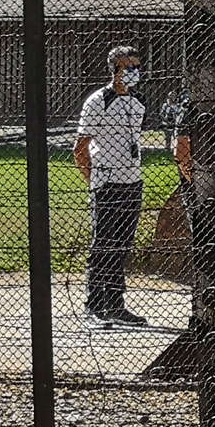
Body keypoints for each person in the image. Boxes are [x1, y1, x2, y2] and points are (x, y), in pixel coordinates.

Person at [76, 45, 150, 329]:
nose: (134, 72)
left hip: (133, 181)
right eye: (128, 67)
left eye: (136, 67)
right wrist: (94, 181)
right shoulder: (97, 101)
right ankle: (94, 307)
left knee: (121, 246)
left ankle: (115, 305)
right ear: (115, 69)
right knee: (102, 245)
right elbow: (80, 148)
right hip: (106, 183)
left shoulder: (139, 102)